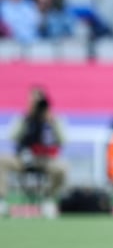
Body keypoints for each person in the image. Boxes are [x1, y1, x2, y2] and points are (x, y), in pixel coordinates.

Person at [0, 87, 67, 219]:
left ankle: (48, 199)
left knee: (62, 168)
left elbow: (63, 140)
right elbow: (13, 136)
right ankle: (1, 200)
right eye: (32, 101)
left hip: (45, 159)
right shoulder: (23, 118)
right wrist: (26, 121)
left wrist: (51, 122)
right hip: (23, 158)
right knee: (2, 161)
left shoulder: (53, 119)